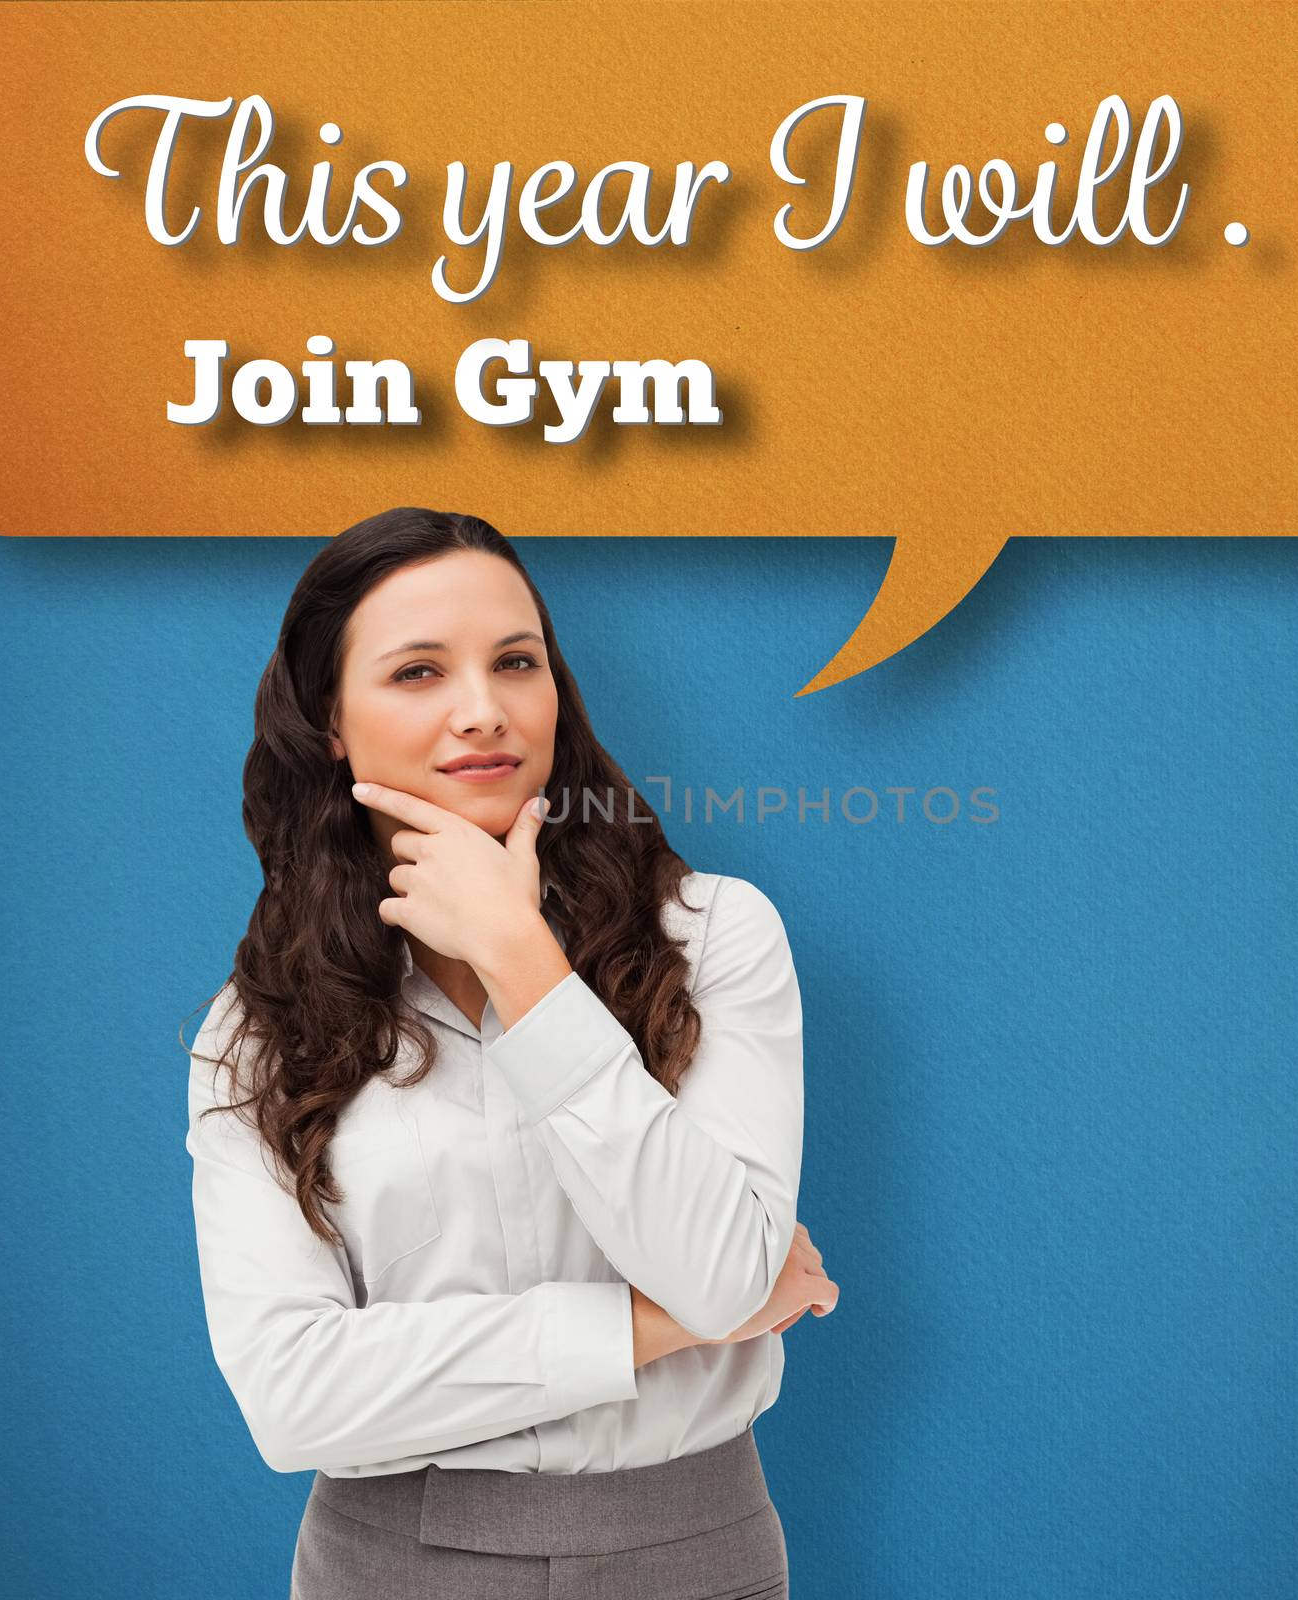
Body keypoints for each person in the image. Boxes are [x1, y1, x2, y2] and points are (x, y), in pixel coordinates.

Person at [181, 506, 839, 1599]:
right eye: (418, 672)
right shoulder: (257, 1026)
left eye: (515, 661)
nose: (482, 711)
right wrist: (649, 1325)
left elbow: (725, 1274)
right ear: (329, 721)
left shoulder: (716, 937)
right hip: (389, 1563)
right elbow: (291, 1397)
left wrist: (522, 961)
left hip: (695, 1548)